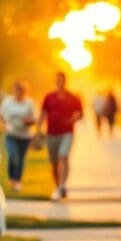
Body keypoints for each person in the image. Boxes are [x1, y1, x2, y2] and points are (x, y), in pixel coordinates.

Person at [37, 72, 83, 200]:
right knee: (54, 163)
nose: (59, 82)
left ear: (65, 81)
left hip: (67, 132)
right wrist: (38, 128)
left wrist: (74, 118)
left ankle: (62, 185)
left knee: (63, 155)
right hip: (51, 133)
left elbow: (79, 113)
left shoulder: (73, 97)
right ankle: (58, 186)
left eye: (61, 80)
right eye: (57, 80)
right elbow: (43, 112)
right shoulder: (49, 97)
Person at [0, 80, 35, 191]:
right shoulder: (7, 101)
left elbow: (34, 119)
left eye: (22, 91)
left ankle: (18, 181)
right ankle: (11, 180)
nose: (19, 93)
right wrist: (3, 126)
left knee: (21, 159)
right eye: (17, 90)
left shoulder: (29, 103)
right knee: (13, 156)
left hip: (25, 135)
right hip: (11, 134)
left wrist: (28, 121)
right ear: (14, 90)